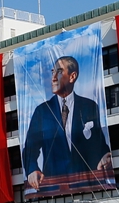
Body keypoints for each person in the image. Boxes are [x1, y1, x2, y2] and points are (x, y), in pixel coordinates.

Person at [21, 55, 113, 194]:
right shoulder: (42, 111)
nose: (53, 78)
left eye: (59, 72)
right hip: (53, 188)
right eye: (53, 72)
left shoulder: (89, 106)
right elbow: (30, 148)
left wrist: (105, 155)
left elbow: (98, 142)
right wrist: (32, 169)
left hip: (87, 186)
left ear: (72, 76)